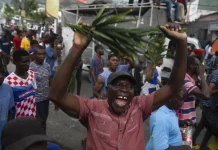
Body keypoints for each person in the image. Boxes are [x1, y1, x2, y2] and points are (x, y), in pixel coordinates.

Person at [48, 23, 187, 149]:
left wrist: (181, 43)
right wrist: (77, 48)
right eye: (118, 85)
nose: (124, 89)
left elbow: (173, 87)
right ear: (107, 91)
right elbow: (56, 95)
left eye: (129, 86)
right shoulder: (92, 108)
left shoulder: (139, 107)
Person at [177, 56, 210, 126]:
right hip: (183, 122)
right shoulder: (185, 80)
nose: (200, 67)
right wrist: (202, 75)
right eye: (198, 65)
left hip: (188, 120)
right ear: (191, 66)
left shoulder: (190, 80)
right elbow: (206, 95)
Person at [4, 49, 37, 118]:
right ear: (14, 62)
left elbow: (34, 98)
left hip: (32, 118)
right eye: (24, 62)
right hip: (18, 121)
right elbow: (7, 108)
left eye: (28, 61)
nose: (28, 64)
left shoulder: (32, 74)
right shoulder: (8, 81)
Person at [192, 68, 218, 150]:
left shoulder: (215, 72)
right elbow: (209, 91)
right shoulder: (217, 74)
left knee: (203, 125)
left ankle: (197, 143)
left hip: (209, 104)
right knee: (207, 126)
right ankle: (198, 144)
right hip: (209, 104)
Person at [29, 45, 50, 131]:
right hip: (36, 100)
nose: (42, 56)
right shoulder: (31, 68)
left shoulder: (47, 66)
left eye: (44, 54)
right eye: (39, 54)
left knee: (44, 120)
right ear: (34, 55)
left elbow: (49, 81)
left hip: (45, 98)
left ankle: (42, 138)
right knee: (37, 121)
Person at [0, 67, 14, 150]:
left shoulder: (7, 88)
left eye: (2, 73)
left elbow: (9, 112)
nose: (1, 76)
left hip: (3, 134)